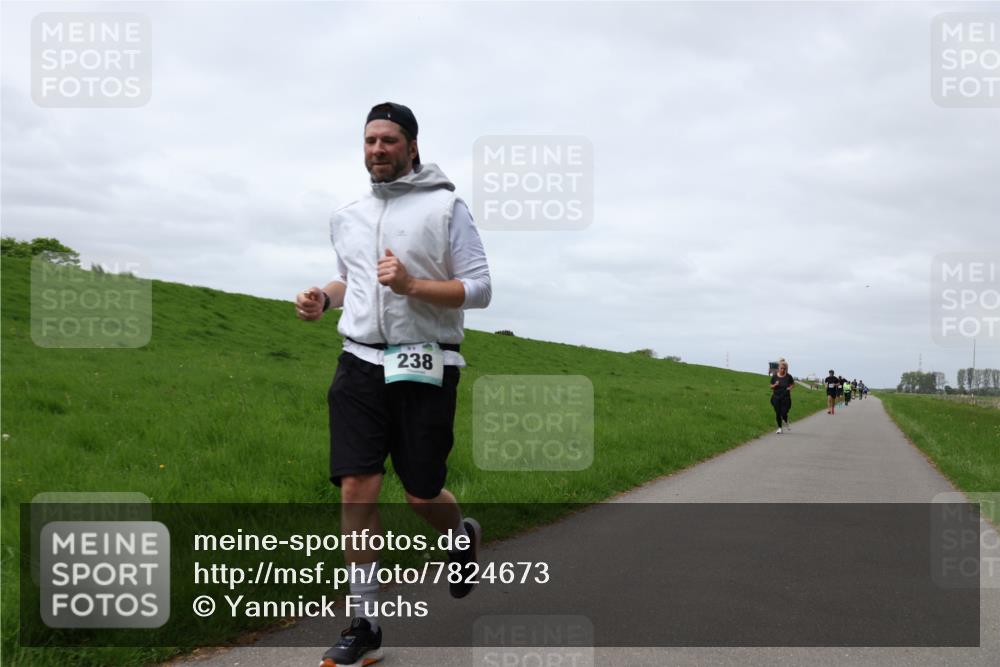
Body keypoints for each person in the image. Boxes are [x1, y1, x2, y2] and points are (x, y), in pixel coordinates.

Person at [296, 102, 492, 667]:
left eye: (388, 140)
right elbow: (351, 278)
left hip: (426, 362)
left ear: (411, 146)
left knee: (420, 493)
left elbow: (478, 289)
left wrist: (412, 285)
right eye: (369, 141)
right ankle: (365, 623)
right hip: (358, 363)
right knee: (356, 489)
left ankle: (460, 535)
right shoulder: (348, 213)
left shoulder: (445, 206)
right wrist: (322, 298)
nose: (377, 150)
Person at [769, 358, 795, 433]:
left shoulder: (788, 376)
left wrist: (790, 388)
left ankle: (786, 420)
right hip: (776, 397)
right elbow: (771, 386)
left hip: (786, 398)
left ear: (786, 369)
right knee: (777, 413)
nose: (783, 370)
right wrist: (775, 385)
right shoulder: (774, 377)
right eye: (781, 368)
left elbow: (793, 384)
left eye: (784, 368)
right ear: (778, 368)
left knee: (784, 412)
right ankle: (780, 428)